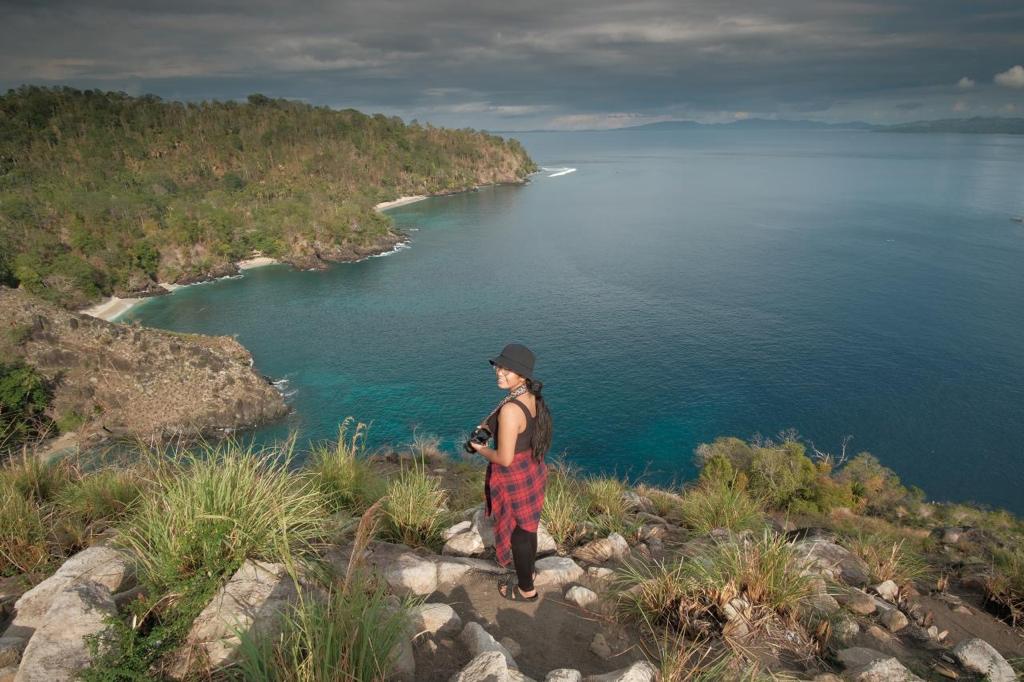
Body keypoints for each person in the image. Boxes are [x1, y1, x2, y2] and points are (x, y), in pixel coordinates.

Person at [469, 343, 552, 601]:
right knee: (528, 529)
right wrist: (488, 426)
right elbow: (518, 428)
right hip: (532, 469)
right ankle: (530, 573)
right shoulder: (530, 395)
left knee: (519, 536)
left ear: (522, 374)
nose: (499, 372)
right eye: (499, 366)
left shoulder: (510, 408)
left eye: (507, 369)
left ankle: (526, 590)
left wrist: (479, 449)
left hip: (514, 474)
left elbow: (504, 458)